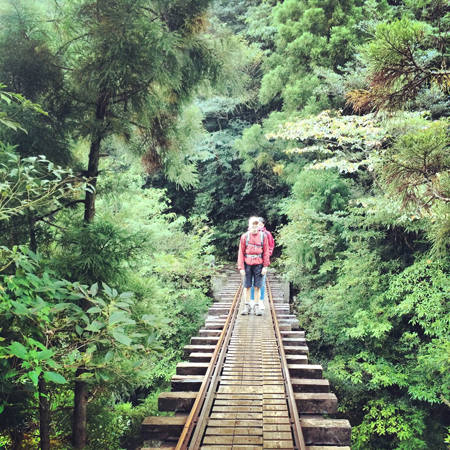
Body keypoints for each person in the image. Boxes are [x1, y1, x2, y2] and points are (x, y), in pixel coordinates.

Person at [237, 216, 270, 316]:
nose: (255, 227)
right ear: (249, 225)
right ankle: (247, 306)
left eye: (256, 225)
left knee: (257, 286)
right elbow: (241, 253)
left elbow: (266, 252)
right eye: (253, 224)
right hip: (247, 264)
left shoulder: (263, 236)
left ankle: (256, 306)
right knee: (247, 286)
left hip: (259, 264)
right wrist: (241, 267)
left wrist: (265, 266)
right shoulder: (244, 237)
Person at [249, 217, 275, 312]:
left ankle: (260, 300)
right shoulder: (249, 234)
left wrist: (267, 255)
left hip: (262, 260)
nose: (258, 226)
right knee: (251, 282)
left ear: (263, 224)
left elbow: (271, 246)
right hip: (251, 261)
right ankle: (252, 300)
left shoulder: (266, 234)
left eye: (260, 224)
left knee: (261, 282)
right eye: (256, 224)